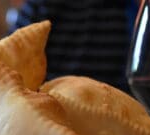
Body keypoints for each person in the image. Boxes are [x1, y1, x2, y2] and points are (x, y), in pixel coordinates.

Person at [10, 0, 139, 93]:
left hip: (117, 111)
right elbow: (10, 60)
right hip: (50, 110)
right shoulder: (42, 5)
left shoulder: (127, 7)